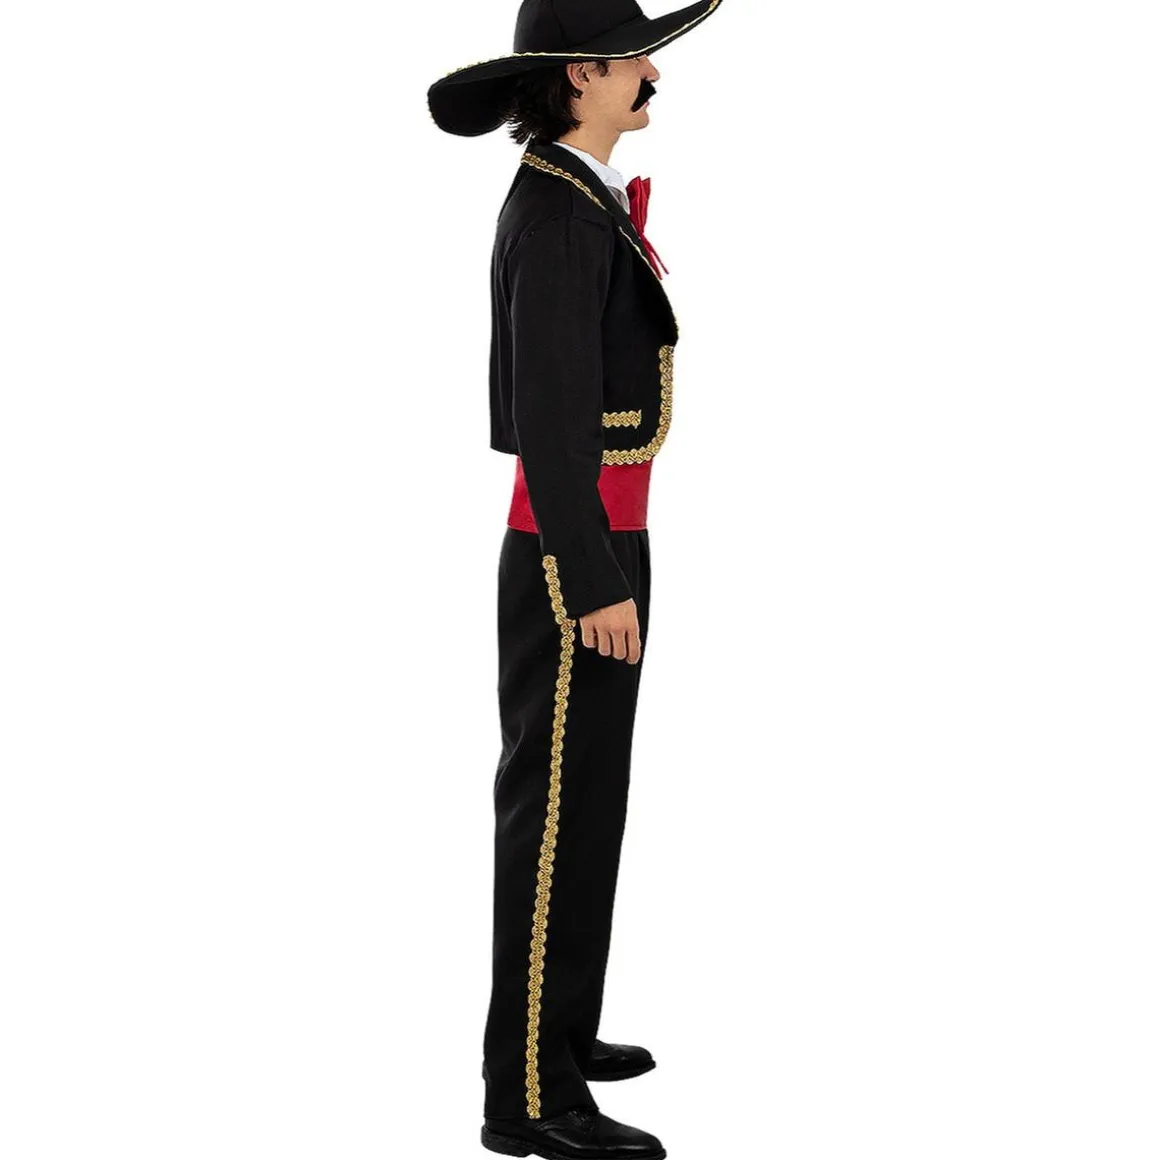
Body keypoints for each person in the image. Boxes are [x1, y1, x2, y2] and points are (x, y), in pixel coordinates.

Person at [428, 2, 724, 1156]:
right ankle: (526, 1093)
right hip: (574, 551)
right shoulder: (555, 212)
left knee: (589, 796)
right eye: (635, 59)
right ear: (580, 76)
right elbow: (550, 419)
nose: (652, 74)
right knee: (551, 810)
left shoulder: (576, 194)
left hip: (600, 539)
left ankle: (562, 1026)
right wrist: (591, 573)